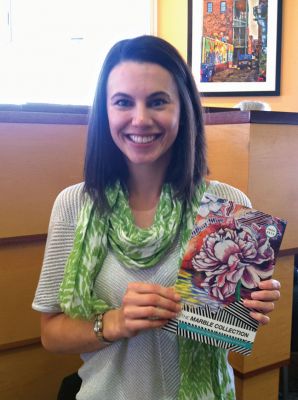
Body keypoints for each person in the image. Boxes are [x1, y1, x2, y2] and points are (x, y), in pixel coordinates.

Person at [32, 35, 281, 400]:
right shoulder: (74, 205)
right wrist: (114, 323)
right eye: (122, 102)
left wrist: (249, 303)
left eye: (158, 101)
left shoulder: (227, 204)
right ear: (105, 111)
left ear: (184, 109)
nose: (140, 118)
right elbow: (50, 332)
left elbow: (228, 332)